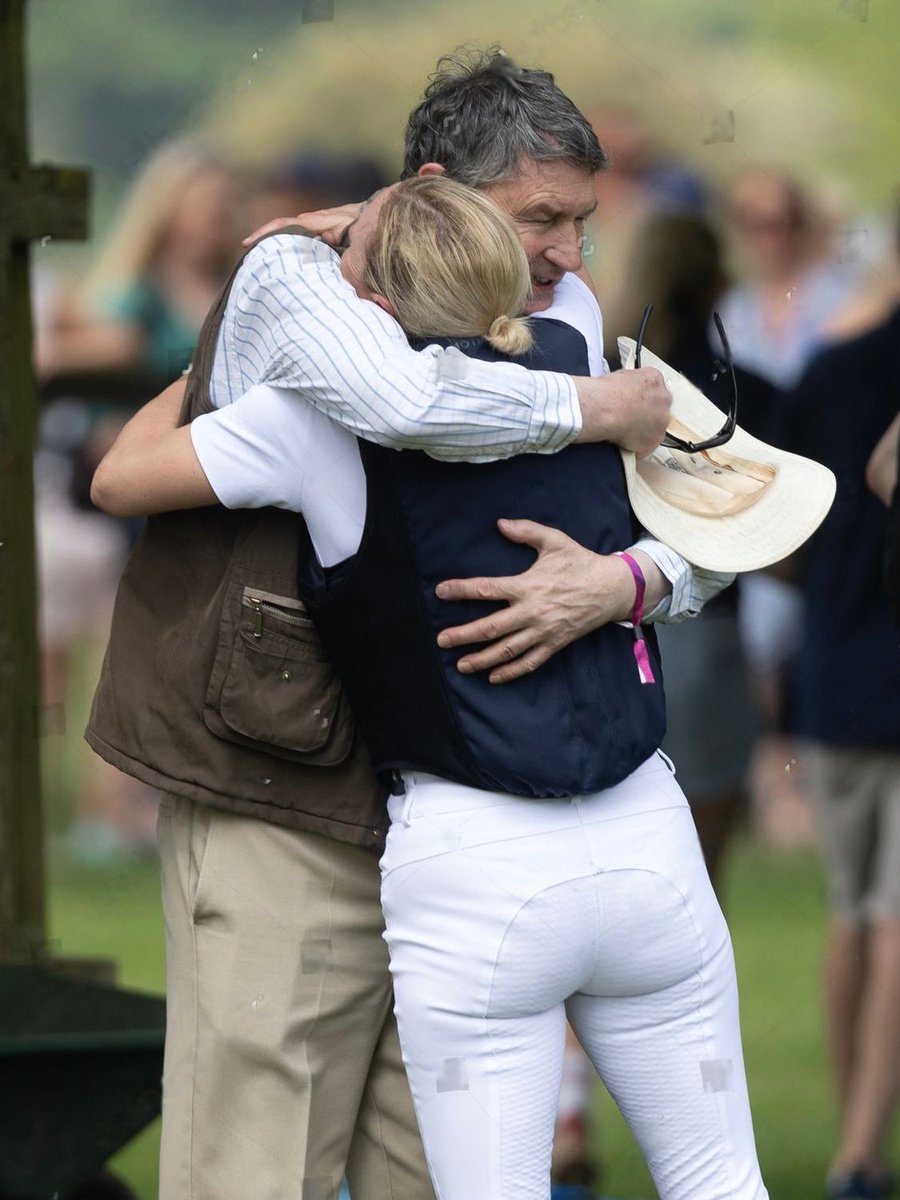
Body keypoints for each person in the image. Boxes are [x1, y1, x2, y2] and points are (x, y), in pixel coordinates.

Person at [94, 123, 761, 1200]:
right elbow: (748, 518)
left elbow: (122, 477)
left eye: (581, 222)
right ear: (452, 196)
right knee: (716, 1181)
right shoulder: (588, 359)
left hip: (457, 852)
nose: (570, 256)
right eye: (543, 220)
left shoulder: (335, 407)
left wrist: (265, 316)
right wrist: (632, 576)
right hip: (567, 824)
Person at [613, 211, 781, 889]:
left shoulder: (601, 381)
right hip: (704, 623)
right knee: (701, 849)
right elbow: (774, 531)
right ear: (717, 279)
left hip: (609, 621)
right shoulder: (747, 396)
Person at [782, 289, 900, 1200]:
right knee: (892, 917)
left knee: (852, 912)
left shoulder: (830, 367)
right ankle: (861, 1150)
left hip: (835, 666)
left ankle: (849, 1137)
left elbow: (781, 523)